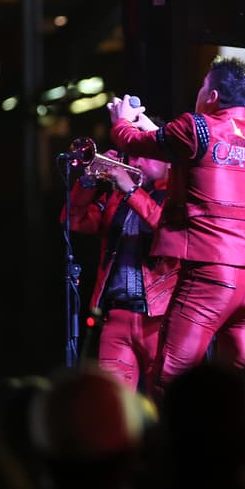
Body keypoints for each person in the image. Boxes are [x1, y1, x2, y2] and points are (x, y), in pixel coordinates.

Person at [107, 55, 245, 396]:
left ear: (211, 96)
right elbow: (199, 150)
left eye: (202, 86)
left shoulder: (195, 126)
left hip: (210, 274)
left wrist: (122, 121)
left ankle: (173, 447)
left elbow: (131, 143)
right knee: (241, 387)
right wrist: (152, 128)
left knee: (170, 377)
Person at [64, 152, 175, 389]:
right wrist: (87, 182)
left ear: (168, 162)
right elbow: (73, 220)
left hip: (160, 318)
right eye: (133, 156)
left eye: (146, 155)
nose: (136, 163)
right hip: (116, 317)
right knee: (113, 401)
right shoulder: (115, 198)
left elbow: (167, 232)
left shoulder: (178, 197)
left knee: (165, 397)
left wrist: (132, 191)